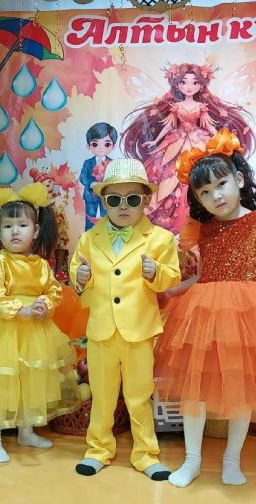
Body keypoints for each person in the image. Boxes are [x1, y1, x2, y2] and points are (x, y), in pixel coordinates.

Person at [154, 128, 256, 488]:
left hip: (249, 316)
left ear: (238, 179)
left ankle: (232, 459)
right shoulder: (203, 230)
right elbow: (204, 275)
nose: (215, 196)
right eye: (204, 192)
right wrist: (174, 290)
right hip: (205, 314)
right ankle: (192, 460)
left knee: (242, 391)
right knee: (195, 392)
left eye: (220, 185)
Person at [69, 158, 181, 480]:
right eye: (114, 199)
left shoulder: (159, 238)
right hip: (102, 331)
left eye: (132, 199)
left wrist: (156, 273)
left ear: (145, 201)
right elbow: (77, 274)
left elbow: (171, 276)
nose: (123, 206)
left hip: (139, 331)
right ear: (103, 201)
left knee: (139, 396)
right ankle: (98, 450)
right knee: (102, 396)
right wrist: (81, 278)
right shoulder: (90, 238)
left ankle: (146, 454)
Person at [0, 184, 78, 463]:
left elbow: (54, 290)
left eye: (22, 225)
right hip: (4, 331)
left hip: (35, 333)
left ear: (36, 230)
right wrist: (21, 309)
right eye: (8, 226)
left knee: (31, 380)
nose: (15, 231)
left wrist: (46, 304)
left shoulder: (41, 264)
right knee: (0, 381)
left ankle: (26, 430)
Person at [120, 63, 255, 234]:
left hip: (199, 141)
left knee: (204, 175)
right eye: (184, 82)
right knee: (169, 176)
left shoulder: (200, 106)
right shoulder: (176, 107)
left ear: (200, 85)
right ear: (177, 85)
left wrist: (221, 139)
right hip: (176, 141)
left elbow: (208, 125)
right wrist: (155, 141)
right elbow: (168, 127)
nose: (189, 87)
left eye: (194, 82)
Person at [79, 122, 118, 230]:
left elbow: (115, 178)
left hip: (107, 197)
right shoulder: (87, 163)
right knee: (90, 218)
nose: (101, 148)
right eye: (95, 144)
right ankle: (89, 237)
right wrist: (91, 184)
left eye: (106, 144)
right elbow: (82, 177)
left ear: (113, 146)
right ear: (88, 146)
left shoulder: (112, 163)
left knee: (108, 219)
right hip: (90, 196)